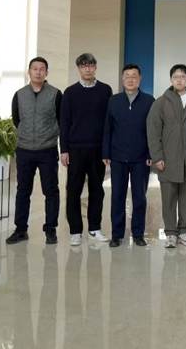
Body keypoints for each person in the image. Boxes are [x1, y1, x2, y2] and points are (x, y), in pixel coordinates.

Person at [6, 57, 62, 245]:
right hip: (24, 150)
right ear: (29, 72)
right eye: (35, 69)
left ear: (46, 72)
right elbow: (16, 119)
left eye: (42, 69)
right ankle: (21, 230)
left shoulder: (55, 94)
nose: (38, 72)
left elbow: (61, 121)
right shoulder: (19, 94)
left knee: (51, 191)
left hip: (47, 150)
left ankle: (51, 229)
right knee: (23, 191)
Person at [146, 64, 186, 248]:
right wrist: (157, 157)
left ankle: (184, 232)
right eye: (176, 77)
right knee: (168, 198)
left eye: (182, 77)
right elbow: (153, 132)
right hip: (168, 159)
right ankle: (170, 233)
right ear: (171, 79)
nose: (179, 80)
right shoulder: (161, 102)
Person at [60, 53, 113, 246]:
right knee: (73, 190)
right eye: (84, 66)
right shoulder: (70, 92)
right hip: (75, 149)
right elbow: (64, 122)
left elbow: (109, 122)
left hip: (98, 149)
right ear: (79, 69)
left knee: (97, 190)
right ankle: (75, 231)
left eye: (91, 65)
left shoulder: (105, 90)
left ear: (95, 67)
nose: (88, 69)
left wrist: (107, 150)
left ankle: (94, 228)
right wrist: (64, 149)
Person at [102, 64, 155, 247]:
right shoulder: (114, 101)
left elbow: (153, 130)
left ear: (140, 79)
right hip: (118, 157)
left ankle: (138, 234)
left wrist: (151, 153)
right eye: (127, 76)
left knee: (139, 197)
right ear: (122, 79)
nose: (130, 79)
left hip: (141, 158)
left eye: (134, 76)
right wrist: (106, 152)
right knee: (117, 196)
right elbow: (107, 128)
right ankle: (116, 234)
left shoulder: (149, 101)